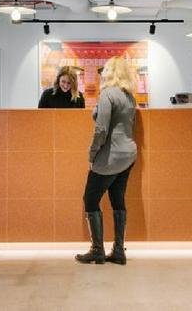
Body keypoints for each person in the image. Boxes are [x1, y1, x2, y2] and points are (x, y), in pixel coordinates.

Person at [76, 57, 138, 265]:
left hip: (111, 156)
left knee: (90, 199)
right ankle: (119, 251)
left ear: (109, 73)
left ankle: (97, 250)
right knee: (117, 199)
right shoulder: (129, 97)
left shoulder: (108, 94)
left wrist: (92, 154)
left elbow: (101, 129)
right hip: (128, 155)